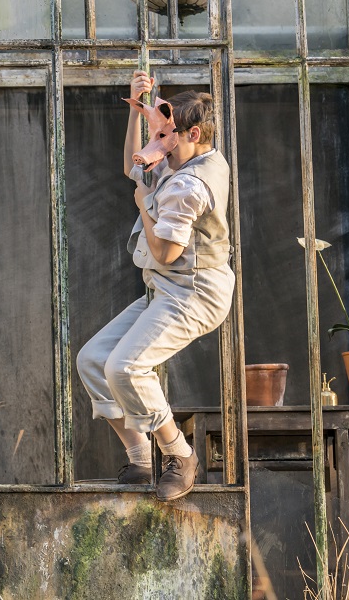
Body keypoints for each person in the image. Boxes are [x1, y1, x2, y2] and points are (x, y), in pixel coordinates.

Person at [76, 70, 235, 501]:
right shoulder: (185, 154)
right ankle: (140, 456)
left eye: (166, 135)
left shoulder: (190, 184)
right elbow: (135, 165)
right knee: (93, 359)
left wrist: (145, 202)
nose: (158, 144)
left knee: (125, 366)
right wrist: (136, 109)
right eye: (157, 133)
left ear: (193, 133)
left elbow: (164, 252)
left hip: (196, 293)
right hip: (166, 287)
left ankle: (180, 456)